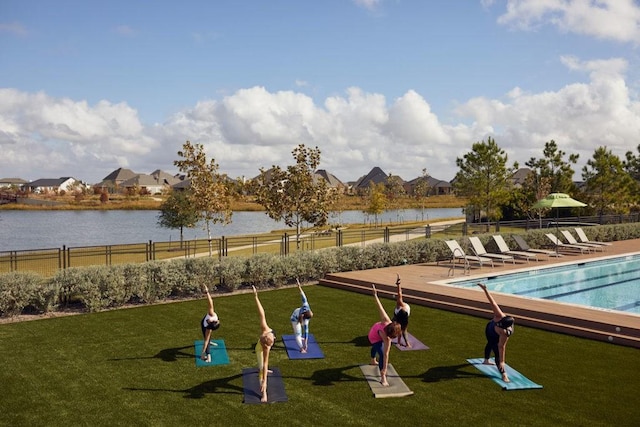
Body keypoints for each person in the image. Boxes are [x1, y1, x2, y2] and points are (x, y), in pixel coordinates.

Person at [477, 283, 514, 383]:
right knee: (490, 342)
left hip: (496, 335)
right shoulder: (499, 315)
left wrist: (502, 361)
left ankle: (503, 374)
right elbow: (492, 302)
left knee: (497, 353)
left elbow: (502, 347)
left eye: (499, 325)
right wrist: (485, 289)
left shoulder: (505, 334)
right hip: (489, 329)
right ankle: (488, 361)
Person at [368, 284, 401, 387]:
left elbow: (379, 306)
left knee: (380, 350)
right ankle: (382, 378)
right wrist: (384, 373)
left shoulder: (387, 334)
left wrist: (375, 295)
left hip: (379, 334)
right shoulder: (386, 336)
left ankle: (372, 360)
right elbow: (385, 355)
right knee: (380, 351)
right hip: (373, 335)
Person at [252, 285, 276, 403]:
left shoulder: (267, 340)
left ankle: (264, 391)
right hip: (258, 349)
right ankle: (264, 391)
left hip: (262, 344)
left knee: (263, 368)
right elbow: (262, 313)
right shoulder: (265, 344)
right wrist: (256, 296)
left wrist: (256, 296)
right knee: (261, 368)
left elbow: (261, 312)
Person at [290, 279, 314, 353]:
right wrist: (303, 346)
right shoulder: (305, 309)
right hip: (294, 318)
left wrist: (306, 343)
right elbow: (303, 296)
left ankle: (301, 340)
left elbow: (303, 296)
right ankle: (301, 348)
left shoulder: (306, 307)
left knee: (300, 333)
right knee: (298, 334)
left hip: (298, 314)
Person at [200, 286, 220, 363]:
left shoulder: (210, 326)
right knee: (207, 339)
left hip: (208, 325)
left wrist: (207, 292)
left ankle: (208, 352)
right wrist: (207, 292)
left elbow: (206, 341)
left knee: (208, 339)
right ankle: (208, 353)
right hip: (203, 324)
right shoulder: (211, 317)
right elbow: (211, 302)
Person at [392, 274, 411, 347]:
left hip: (402, 316)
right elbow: (399, 293)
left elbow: (399, 293)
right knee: (393, 324)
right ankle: (403, 342)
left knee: (402, 329)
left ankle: (406, 343)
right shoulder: (402, 306)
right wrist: (398, 283)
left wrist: (398, 284)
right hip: (403, 314)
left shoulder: (399, 306)